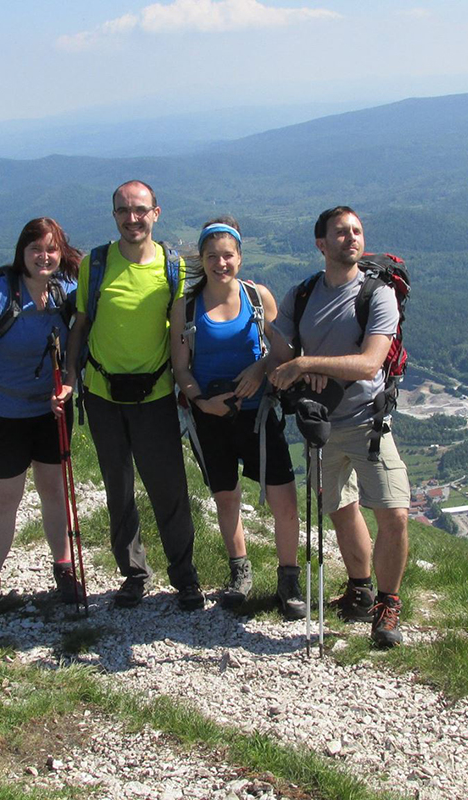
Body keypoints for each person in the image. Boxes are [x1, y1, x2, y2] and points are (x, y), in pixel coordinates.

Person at [267, 206, 411, 647]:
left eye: (357, 231)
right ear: (321, 244)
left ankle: (387, 605)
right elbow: (280, 344)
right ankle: (359, 590)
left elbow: (369, 363)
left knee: (394, 514)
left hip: (368, 422)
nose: (351, 238)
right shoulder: (303, 293)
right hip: (321, 424)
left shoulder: (378, 294)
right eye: (341, 232)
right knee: (340, 507)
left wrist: (307, 363)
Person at [58, 180, 203, 610]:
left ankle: (185, 576)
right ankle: (134, 573)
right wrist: (69, 375)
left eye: (140, 210)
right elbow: (80, 325)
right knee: (117, 489)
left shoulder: (171, 269)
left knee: (168, 488)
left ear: (156, 212)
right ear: (114, 215)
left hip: (155, 395)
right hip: (103, 395)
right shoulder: (96, 264)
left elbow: (178, 335)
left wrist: (186, 385)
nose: (132, 218)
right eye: (123, 210)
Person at [169, 217, 306, 619]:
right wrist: (200, 401)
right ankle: (239, 573)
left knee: (285, 500)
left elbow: (282, 352)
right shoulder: (186, 306)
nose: (221, 263)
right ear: (202, 259)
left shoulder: (258, 297)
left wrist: (260, 370)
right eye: (212, 256)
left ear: (240, 257)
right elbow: (180, 368)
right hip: (210, 417)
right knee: (226, 497)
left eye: (228, 255)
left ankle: (288, 580)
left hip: (259, 417)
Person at [0, 217, 82, 622]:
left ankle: (63, 568)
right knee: (6, 496)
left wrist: (71, 380)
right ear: (21, 254)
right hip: (2, 414)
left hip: (50, 411)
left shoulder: (65, 292)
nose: (44, 257)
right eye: (35, 250)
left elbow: (90, 321)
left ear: (61, 254)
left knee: (52, 491)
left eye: (51, 250)